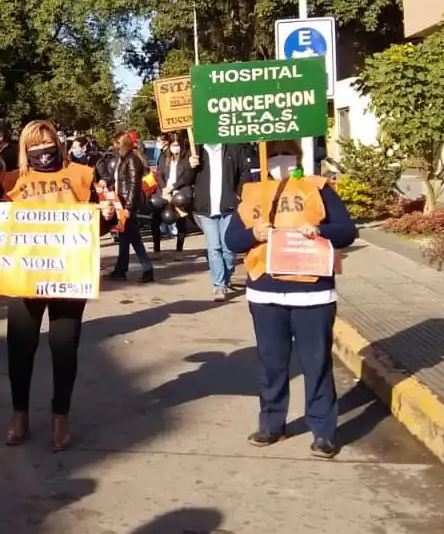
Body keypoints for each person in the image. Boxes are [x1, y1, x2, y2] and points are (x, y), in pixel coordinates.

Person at [224, 139, 358, 459]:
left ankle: (323, 432)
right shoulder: (254, 192)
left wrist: (321, 230)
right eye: (274, 155)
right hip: (266, 293)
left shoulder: (319, 189)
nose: (280, 160)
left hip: (312, 293)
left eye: (287, 154)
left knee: (317, 364)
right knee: (272, 363)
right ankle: (272, 424)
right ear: (263, 160)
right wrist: (254, 234)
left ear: (299, 157)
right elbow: (232, 239)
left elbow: (347, 231)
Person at [0, 119, 116, 451]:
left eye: (47, 144)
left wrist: (105, 214)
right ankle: (19, 414)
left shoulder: (82, 174)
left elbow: (101, 225)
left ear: (58, 144)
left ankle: (60, 416)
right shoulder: (10, 181)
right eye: (34, 146)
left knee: (64, 349)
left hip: (68, 275)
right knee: (19, 350)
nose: (42, 151)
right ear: (24, 150)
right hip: (24, 276)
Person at [190, 140, 254, 300]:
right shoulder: (195, 151)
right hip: (206, 209)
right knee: (214, 248)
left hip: (228, 207)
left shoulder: (233, 148)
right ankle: (219, 285)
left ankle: (225, 276)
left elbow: (245, 172)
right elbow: (185, 178)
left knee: (228, 249)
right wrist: (191, 166)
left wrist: (239, 194)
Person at [106, 131, 154, 283]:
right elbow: (119, 180)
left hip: (127, 204)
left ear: (121, 144)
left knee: (132, 238)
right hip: (122, 202)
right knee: (126, 238)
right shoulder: (122, 159)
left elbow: (134, 185)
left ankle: (146, 269)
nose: (113, 146)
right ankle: (122, 269)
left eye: (115, 143)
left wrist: (129, 207)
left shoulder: (132, 159)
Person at [153, 133, 195, 253]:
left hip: (179, 192)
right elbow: (159, 175)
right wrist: (164, 189)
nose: (175, 148)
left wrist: (173, 187)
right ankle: (156, 250)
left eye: (177, 145)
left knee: (181, 222)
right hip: (164, 192)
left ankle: (179, 250)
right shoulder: (164, 158)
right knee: (155, 222)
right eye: (173, 145)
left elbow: (187, 177)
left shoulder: (186, 158)